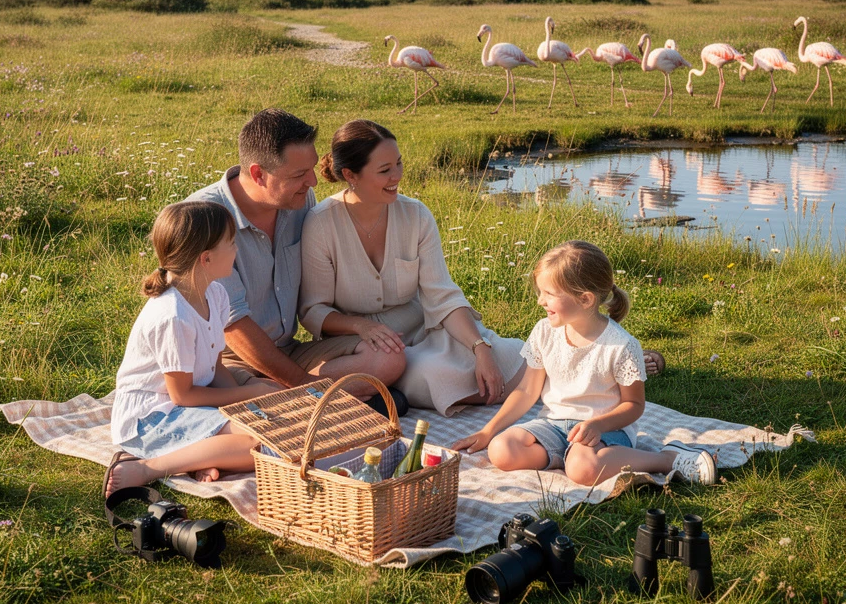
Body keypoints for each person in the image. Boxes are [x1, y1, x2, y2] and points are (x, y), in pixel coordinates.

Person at [299, 119, 526, 416]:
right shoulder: (321, 223)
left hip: (424, 330)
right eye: (384, 170)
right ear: (350, 175)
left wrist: (479, 348)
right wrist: (360, 325)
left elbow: (441, 295)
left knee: (509, 358)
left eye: (399, 164)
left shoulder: (415, 214)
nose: (397, 176)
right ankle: (387, 387)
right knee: (435, 374)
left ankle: (387, 392)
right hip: (364, 344)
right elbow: (313, 311)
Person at [452, 240, 716, 487]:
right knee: (501, 450)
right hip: (554, 425)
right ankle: (564, 457)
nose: (540, 301)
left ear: (585, 299)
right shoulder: (544, 331)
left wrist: (597, 426)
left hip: (606, 429)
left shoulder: (622, 345)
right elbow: (526, 391)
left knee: (583, 471)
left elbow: (634, 406)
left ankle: (667, 459)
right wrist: (488, 431)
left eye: (549, 294)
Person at [187, 108, 405, 402]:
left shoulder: (299, 200)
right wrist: (303, 383)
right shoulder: (203, 219)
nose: (313, 181)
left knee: (388, 358)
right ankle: (317, 399)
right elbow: (234, 327)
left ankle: (304, 401)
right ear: (258, 174)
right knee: (263, 393)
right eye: (300, 174)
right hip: (229, 361)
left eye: (312, 168)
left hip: (290, 349)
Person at [104, 201, 282, 497]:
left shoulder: (215, 294)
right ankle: (147, 468)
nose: (236, 250)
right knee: (258, 445)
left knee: (271, 424)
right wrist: (250, 394)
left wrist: (247, 405)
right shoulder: (173, 316)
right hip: (151, 418)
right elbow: (182, 395)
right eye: (232, 243)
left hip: (189, 405)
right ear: (206, 259)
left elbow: (215, 368)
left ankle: (203, 455)